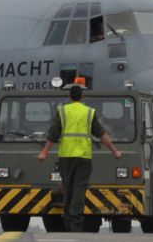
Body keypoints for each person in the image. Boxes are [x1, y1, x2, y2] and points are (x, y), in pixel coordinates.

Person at [36, 79, 123, 231]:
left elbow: (53, 134)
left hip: (66, 157)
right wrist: (114, 151)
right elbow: (102, 134)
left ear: (69, 97)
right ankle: (75, 222)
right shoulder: (89, 112)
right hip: (83, 157)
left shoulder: (62, 111)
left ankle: (68, 219)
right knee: (79, 189)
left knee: (68, 188)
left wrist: (44, 152)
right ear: (82, 97)